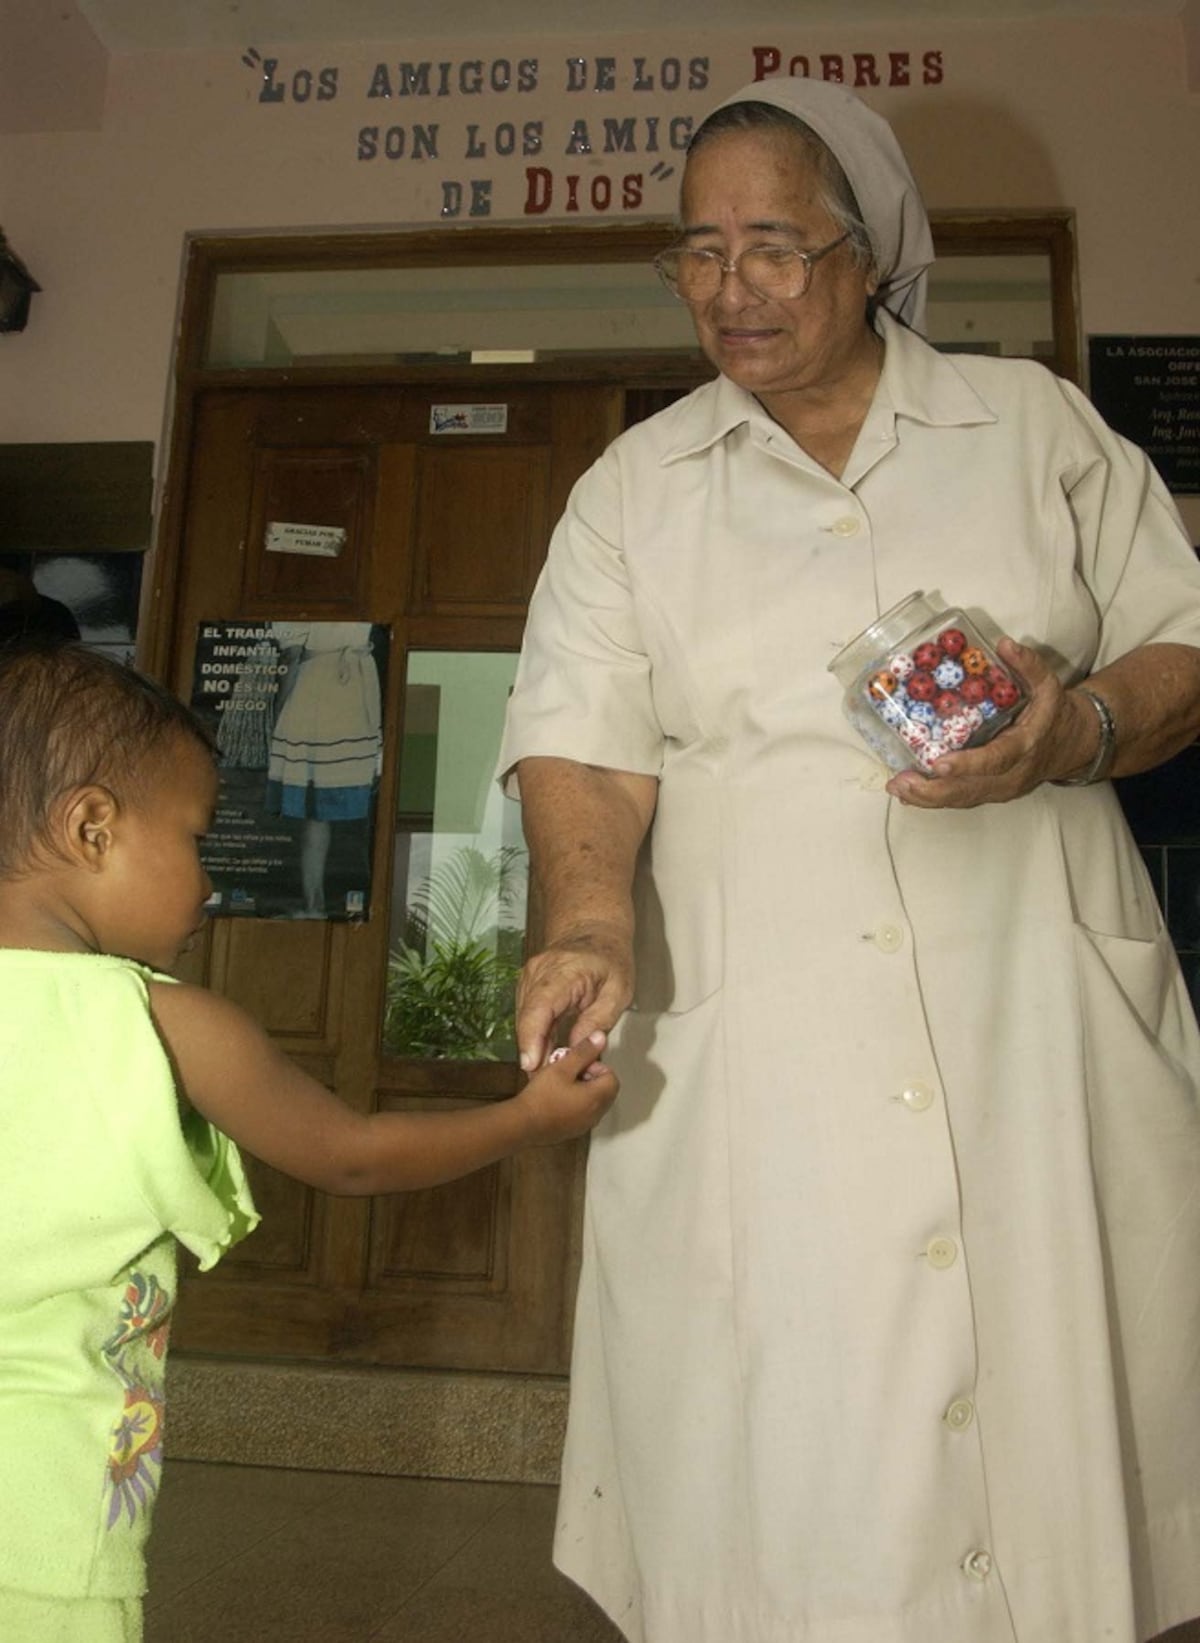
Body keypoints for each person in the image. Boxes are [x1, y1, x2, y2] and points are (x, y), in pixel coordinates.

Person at [497, 73, 1200, 1643]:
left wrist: (1074, 726)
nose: (730, 286)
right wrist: (590, 921)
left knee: (1055, 1439)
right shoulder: (634, 491)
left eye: (772, 244)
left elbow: (1185, 642)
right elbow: (582, 741)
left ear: (866, 251)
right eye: (697, 249)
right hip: (765, 1035)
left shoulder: (1030, 428)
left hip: (1033, 1007)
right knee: (789, 1458)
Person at [0, 641, 617, 1643]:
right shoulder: (158, 1022)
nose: (211, 882)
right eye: (198, 838)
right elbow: (353, 1153)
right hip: (42, 1509)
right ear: (91, 825)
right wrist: (530, 1116)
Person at [264, 620, 383, 917]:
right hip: (355, 687)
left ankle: (316, 903)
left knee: (317, 810)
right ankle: (332, 902)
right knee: (340, 800)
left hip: (317, 692)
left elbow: (291, 658)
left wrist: (278, 710)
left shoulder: (298, 608)